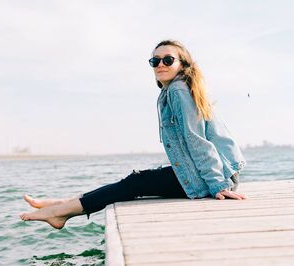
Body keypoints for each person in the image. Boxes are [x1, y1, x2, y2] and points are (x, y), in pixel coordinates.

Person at [20, 39, 247, 229]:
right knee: (135, 181)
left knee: (135, 183)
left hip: (217, 178)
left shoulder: (178, 91)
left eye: (168, 60)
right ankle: (65, 205)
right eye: (154, 61)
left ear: (182, 64)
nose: (160, 64)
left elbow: (196, 140)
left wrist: (218, 186)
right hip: (218, 173)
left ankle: (62, 211)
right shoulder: (176, 89)